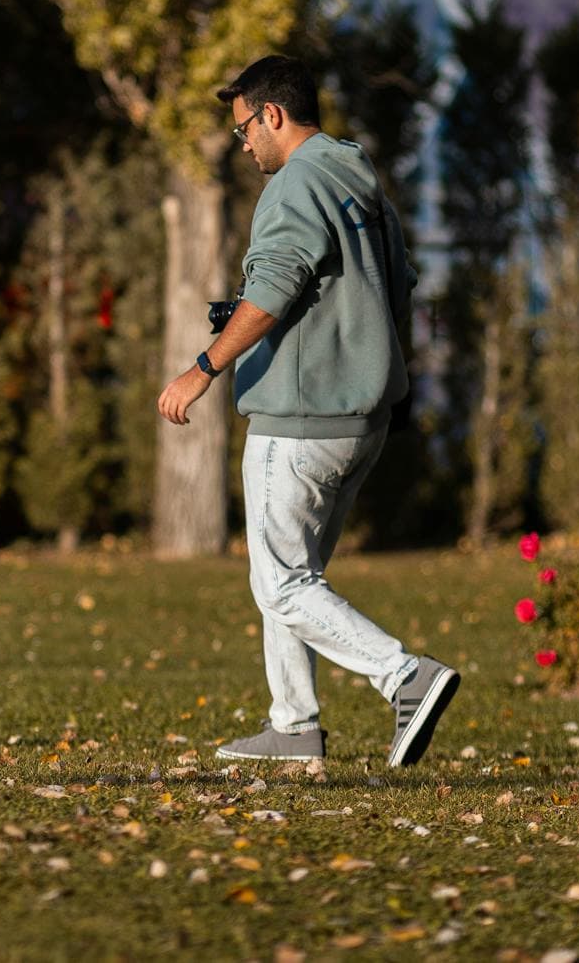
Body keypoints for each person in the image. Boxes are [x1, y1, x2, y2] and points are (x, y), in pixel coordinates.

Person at [156, 54, 458, 767]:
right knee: (291, 578)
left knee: (282, 581)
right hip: (361, 414)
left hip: (300, 417)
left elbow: (274, 285)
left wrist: (202, 368)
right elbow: (399, 284)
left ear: (274, 115)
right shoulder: (356, 178)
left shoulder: (294, 185)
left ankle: (404, 676)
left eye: (243, 130)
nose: (243, 146)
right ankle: (293, 726)